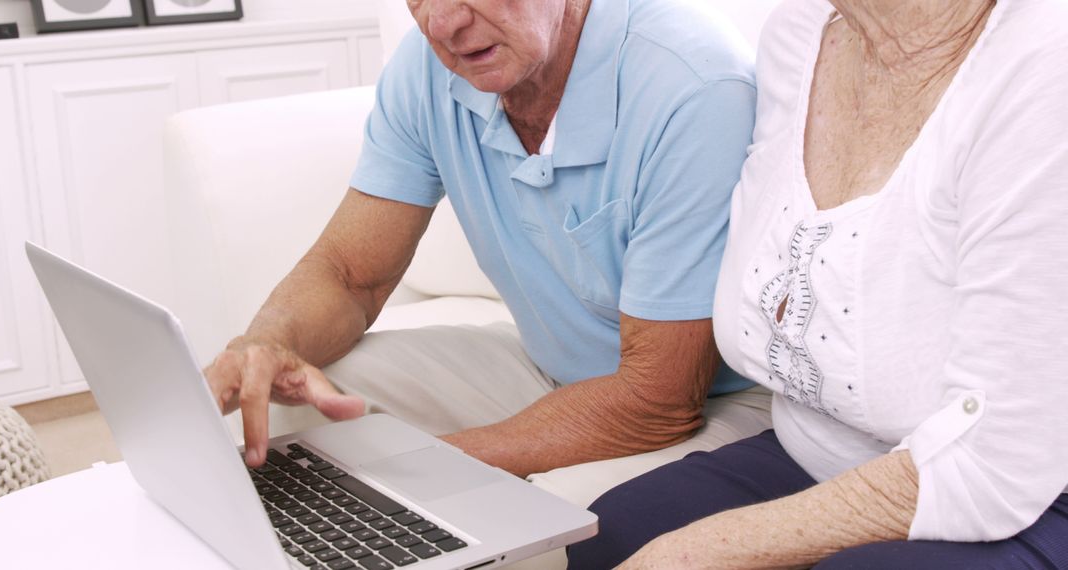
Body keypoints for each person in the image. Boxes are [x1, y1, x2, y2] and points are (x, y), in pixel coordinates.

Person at [205, 0, 771, 522]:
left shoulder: (695, 86)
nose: (442, 24)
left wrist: (413, 472)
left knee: (553, 511)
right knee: (302, 394)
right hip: (550, 368)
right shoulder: (432, 69)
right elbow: (352, 274)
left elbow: (657, 400)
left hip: (713, 403)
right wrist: (265, 346)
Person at [568, 0, 1068, 567]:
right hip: (821, 452)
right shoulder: (801, 31)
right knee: (612, 534)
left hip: (1028, 494)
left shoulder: (1047, 67)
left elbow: (997, 462)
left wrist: (690, 553)